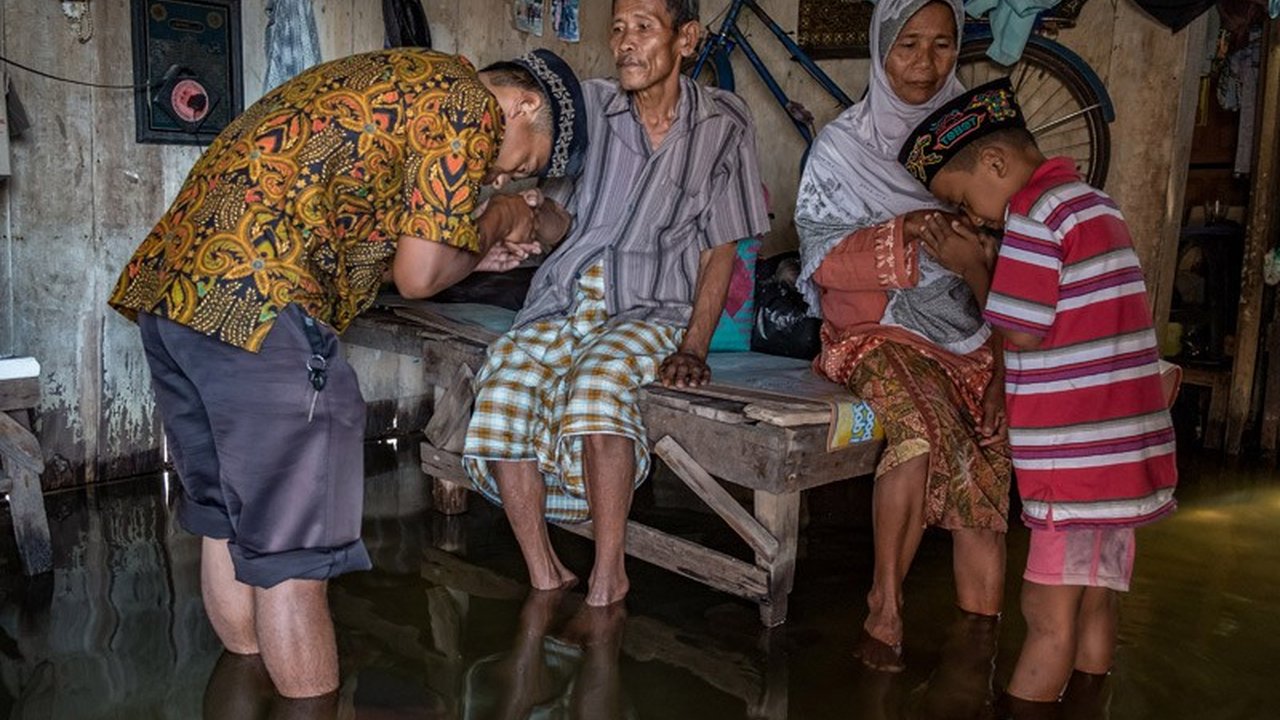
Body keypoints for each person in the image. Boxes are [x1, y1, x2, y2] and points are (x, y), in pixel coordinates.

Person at [108, 47, 588, 698]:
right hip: (263, 307)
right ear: (526, 106)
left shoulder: (401, 79)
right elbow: (421, 278)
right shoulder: (469, 107)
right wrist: (509, 217)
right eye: (524, 163)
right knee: (295, 561)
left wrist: (479, 253)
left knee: (228, 521)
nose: (503, 176)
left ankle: (249, 687)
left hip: (177, 296)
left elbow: (393, 263)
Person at [463, 0, 770, 608]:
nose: (626, 43)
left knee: (600, 387)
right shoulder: (589, 109)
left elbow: (720, 250)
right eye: (619, 29)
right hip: (565, 294)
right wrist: (529, 216)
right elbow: (558, 228)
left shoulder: (724, 126)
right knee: (502, 384)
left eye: (644, 28)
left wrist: (693, 347)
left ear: (687, 38)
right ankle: (543, 571)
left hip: (652, 306)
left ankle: (609, 573)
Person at [898, 79, 1177, 709]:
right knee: (1096, 600)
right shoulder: (1095, 205)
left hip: (1072, 461)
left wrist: (974, 265)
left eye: (963, 200)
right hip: (1121, 459)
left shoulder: (1033, 215)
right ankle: (1085, 704)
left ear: (995, 165)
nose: (971, 219)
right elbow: (1068, 323)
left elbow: (1020, 329)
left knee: (1045, 613)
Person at [794, 0, 1011, 671]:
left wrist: (977, 257)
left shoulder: (982, 138)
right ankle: (884, 606)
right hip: (876, 330)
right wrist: (909, 233)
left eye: (943, 45)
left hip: (974, 333)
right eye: (908, 44)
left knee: (987, 461)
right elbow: (821, 259)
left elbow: (1023, 255)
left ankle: (983, 636)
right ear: (880, 47)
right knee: (915, 426)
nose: (924, 64)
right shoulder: (844, 147)